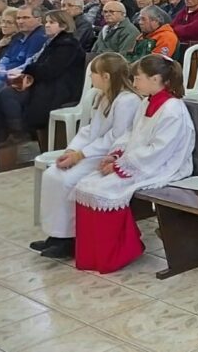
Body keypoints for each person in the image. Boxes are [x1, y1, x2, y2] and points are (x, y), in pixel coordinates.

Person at [72, 55, 195, 272]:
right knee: (86, 185)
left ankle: (119, 253)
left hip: (163, 165)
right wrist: (116, 154)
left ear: (155, 79)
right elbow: (132, 133)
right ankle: (92, 255)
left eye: (138, 78)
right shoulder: (147, 101)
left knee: (105, 191)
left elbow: (159, 150)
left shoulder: (172, 109)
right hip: (138, 161)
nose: (134, 83)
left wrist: (122, 166)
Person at [33, 53, 141, 258]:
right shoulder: (105, 96)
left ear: (107, 76)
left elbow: (116, 137)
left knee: (68, 180)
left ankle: (70, 239)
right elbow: (91, 130)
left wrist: (82, 154)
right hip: (93, 150)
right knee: (53, 175)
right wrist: (72, 150)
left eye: (93, 73)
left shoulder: (127, 100)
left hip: (109, 155)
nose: (90, 77)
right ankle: (56, 235)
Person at [0, 10, 86, 144]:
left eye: (51, 22)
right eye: (46, 22)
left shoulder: (67, 45)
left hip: (59, 88)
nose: (47, 25)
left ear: (64, 26)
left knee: (7, 94)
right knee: (5, 90)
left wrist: (27, 70)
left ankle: (20, 133)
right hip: (45, 83)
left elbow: (49, 71)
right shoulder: (51, 42)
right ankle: (6, 133)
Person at [0, 5, 50, 89]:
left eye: (25, 18)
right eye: (18, 18)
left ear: (38, 20)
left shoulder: (40, 36)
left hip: (18, 81)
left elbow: (28, 65)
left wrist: (4, 73)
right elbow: (5, 59)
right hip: (3, 75)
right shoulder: (18, 36)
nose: (20, 21)